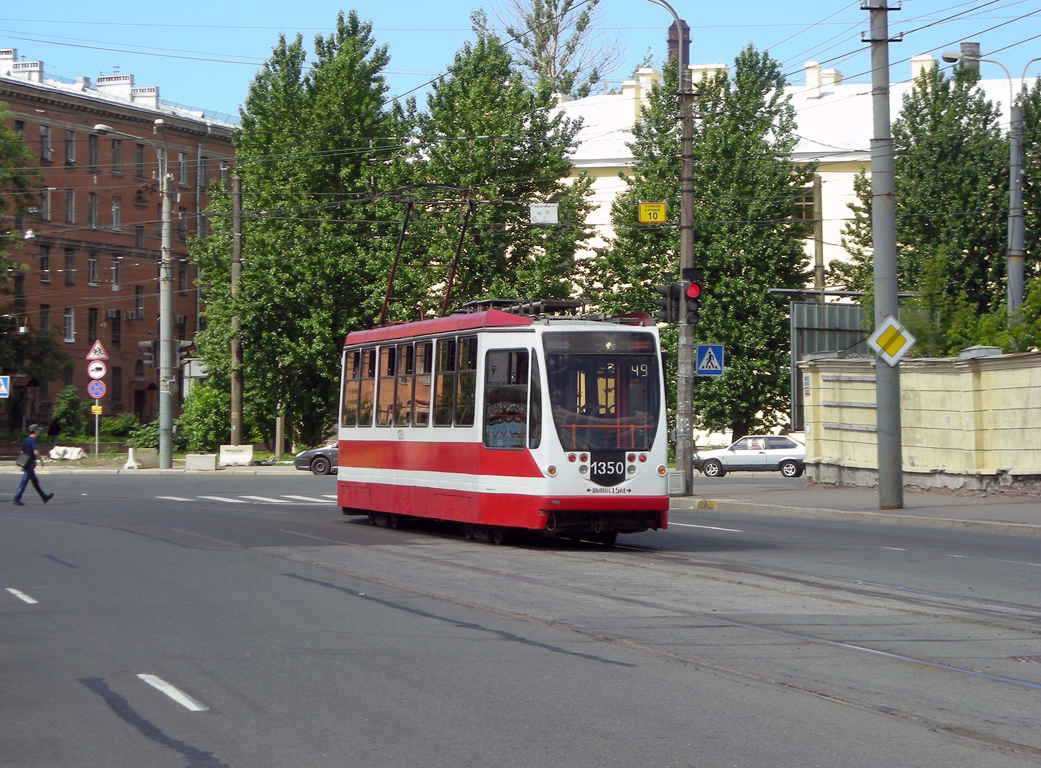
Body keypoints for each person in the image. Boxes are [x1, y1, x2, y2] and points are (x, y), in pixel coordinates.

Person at [13, 424, 53, 506]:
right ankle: (17, 498)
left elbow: (22, 451)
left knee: (35, 482)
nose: (39, 431)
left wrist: (23, 462)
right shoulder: (33, 440)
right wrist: (41, 460)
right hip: (30, 463)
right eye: (38, 430)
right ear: (35, 431)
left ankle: (44, 497)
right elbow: (35, 451)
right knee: (24, 481)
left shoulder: (26, 440)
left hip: (26, 463)